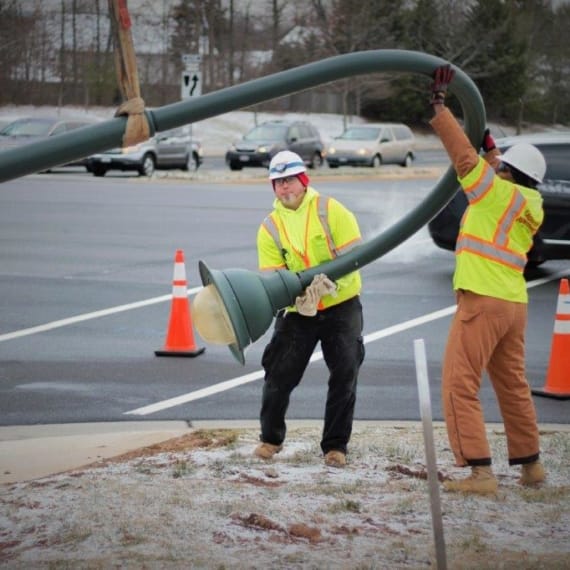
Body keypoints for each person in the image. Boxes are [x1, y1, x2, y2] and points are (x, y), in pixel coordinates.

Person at [429, 65, 547, 493]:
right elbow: (494, 169)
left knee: (458, 384)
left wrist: (441, 111)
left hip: (482, 302)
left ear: (509, 173)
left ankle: (480, 473)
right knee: (512, 385)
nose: (494, 169)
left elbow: (464, 158)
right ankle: (531, 466)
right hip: (513, 306)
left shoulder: (495, 191)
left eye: (500, 166)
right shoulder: (529, 202)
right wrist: (495, 149)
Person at [254, 150, 365, 468]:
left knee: (345, 372)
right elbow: (274, 276)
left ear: (303, 181)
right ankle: (270, 439)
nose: (284, 188)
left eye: (289, 180)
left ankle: (335, 447)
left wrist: (331, 287)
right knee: (278, 373)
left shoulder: (332, 211)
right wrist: (298, 299)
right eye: (277, 182)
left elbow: (354, 259)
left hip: (341, 305)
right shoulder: (270, 227)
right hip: (300, 311)